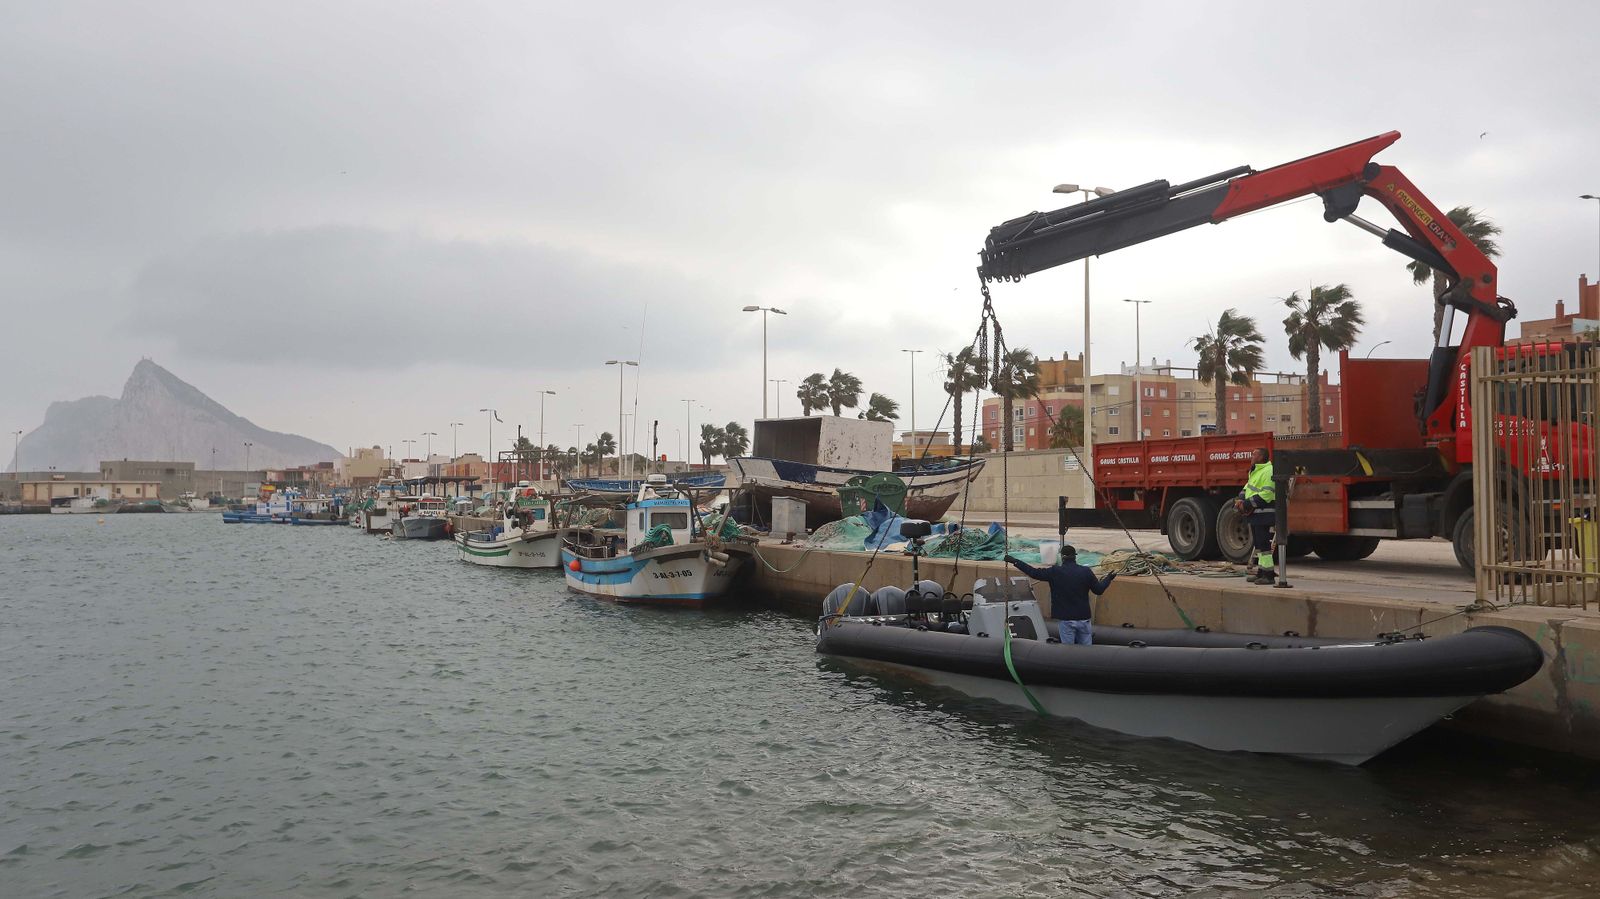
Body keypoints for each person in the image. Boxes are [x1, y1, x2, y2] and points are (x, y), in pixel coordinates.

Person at [1002, 546, 1116, 645]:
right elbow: (1099, 590)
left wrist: (1015, 561)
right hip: (1084, 619)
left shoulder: (1055, 572)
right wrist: (1109, 578)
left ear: (1062, 557)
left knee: (1067, 652)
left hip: (1066, 620)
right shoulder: (1086, 571)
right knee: (1087, 652)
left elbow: (1034, 573)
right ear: (1075, 557)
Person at [1237, 446, 1276, 585]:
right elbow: (1248, 487)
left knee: (1264, 544)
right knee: (1258, 544)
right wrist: (1240, 499)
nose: (1251, 457)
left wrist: (1247, 504)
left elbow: (1268, 494)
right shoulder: (1256, 471)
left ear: (1261, 457)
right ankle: (1261, 572)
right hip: (1256, 513)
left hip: (1264, 513)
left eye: (1254, 455)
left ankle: (1269, 575)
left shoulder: (1268, 471)